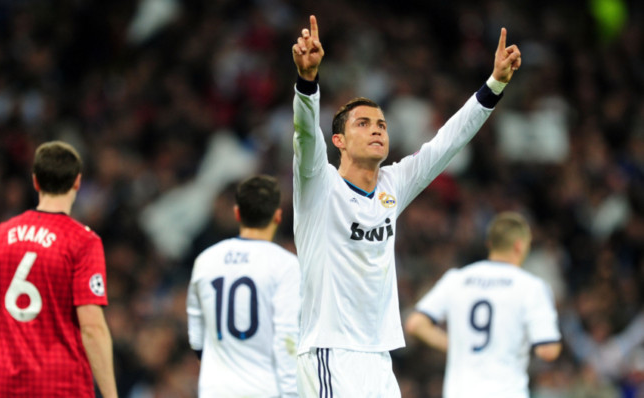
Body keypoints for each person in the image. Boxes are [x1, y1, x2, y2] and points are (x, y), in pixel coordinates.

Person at [291, 15, 522, 396]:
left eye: (381, 124)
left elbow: (447, 142)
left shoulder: (392, 185)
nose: (377, 129)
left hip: (378, 356)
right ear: (338, 141)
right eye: (363, 124)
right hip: (329, 352)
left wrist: (494, 83)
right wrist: (307, 82)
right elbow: (303, 134)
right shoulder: (319, 184)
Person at [0, 141, 118, 397]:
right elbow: (92, 328)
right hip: (62, 387)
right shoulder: (82, 242)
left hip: (5, 388)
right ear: (77, 182)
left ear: (35, 182)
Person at [405, 211, 562, 398]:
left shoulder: (457, 279)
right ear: (520, 246)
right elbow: (548, 351)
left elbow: (415, 324)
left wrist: (454, 345)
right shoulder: (531, 287)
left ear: (490, 244)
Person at [186, 174, 300, 397]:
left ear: (237, 213)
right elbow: (287, 339)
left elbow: (197, 338)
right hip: (264, 388)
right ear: (277, 216)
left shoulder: (206, 260)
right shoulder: (285, 264)